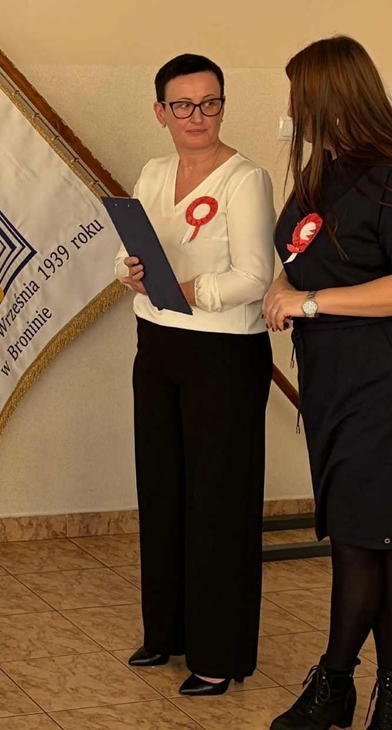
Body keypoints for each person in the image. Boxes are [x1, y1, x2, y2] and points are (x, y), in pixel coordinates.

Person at [265, 36, 392, 730]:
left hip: (387, 380)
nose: (290, 110)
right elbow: (298, 257)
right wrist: (281, 290)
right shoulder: (323, 174)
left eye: (297, 96)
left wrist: (310, 303)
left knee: (364, 537)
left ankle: (333, 684)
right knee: (374, 537)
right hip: (334, 378)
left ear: (330, 97)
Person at [115, 54, 275, 697]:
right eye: (183, 105)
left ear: (223, 107)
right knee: (162, 490)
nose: (197, 116)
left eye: (209, 103)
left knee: (217, 501)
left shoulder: (247, 178)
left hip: (224, 354)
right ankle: (168, 633)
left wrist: (191, 290)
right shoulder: (153, 172)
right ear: (161, 112)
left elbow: (255, 277)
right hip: (157, 344)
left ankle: (218, 654)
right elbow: (127, 255)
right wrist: (129, 272)